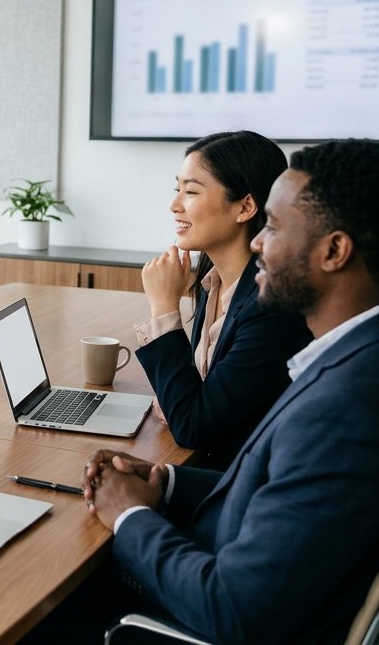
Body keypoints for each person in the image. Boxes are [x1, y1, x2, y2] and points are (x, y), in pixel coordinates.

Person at [81, 138, 379, 643]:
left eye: (277, 227)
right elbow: (277, 484)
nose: (260, 241)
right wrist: (165, 483)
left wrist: (129, 515)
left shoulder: (346, 407)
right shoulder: (345, 359)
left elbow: (233, 609)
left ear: (334, 251)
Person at [135, 130, 311, 466]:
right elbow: (193, 398)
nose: (174, 205)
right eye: (178, 189)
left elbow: (191, 425)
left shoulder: (271, 307)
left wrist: (163, 308)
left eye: (190, 191)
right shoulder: (214, 281)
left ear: (245, 206)